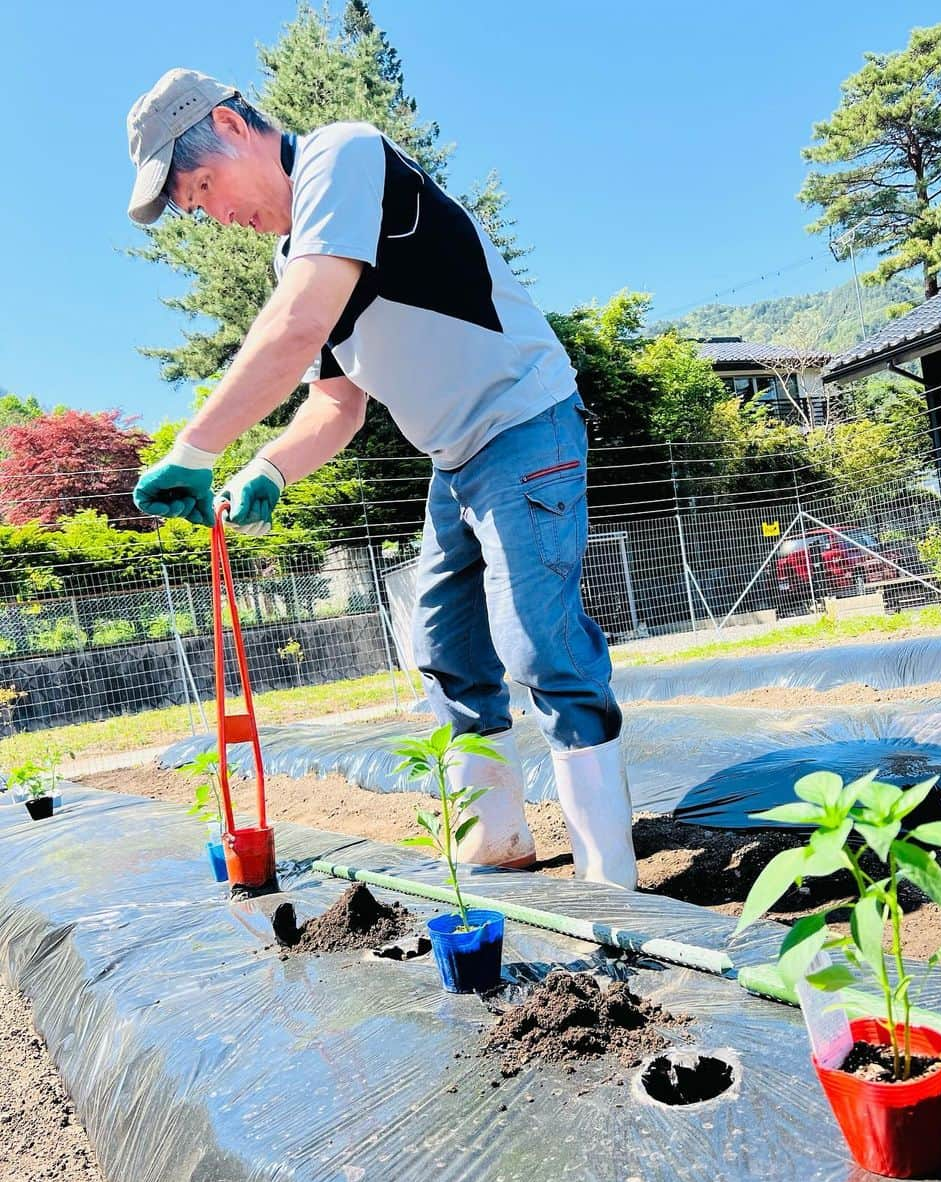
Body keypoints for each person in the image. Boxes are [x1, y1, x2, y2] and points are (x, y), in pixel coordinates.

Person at [127, 68, 637, 888]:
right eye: (196, 208)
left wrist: (195, 449)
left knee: (537, 642)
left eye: (205, 186)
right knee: (443, 645)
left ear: (231, 123)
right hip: (455, 457)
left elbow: (296, 328)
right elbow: (336, 407)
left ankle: (610, 874)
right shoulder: (296, 253)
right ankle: (497, 840)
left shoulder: (343, 156)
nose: (216, 214)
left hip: (524, 422)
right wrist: (266, 468)